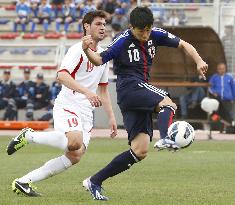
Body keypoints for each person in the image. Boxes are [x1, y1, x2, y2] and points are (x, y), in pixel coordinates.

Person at [81, 6, 208, 200]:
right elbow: (99, 59)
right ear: (132, 27)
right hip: (130, 87)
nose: (146, 34)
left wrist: (198, 61)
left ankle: (94, 181)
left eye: (148, 29)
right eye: (142, 30)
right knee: (168, 103)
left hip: (137, 92)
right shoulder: (122, 41)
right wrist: (86, 51)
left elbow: (184, 44)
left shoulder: (156, 34)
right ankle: (165, 137)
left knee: (139, 150)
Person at [6, 10, 117, 197]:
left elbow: (103, 90)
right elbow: (61, 76)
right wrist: (87, 92)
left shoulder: (103, 57)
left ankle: (23, 182)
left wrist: (112, 117)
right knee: (74, 141)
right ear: (86, 27)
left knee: (75, 155)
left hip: (86, 111)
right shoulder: (76, 50)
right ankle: (30, 136)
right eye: (98, 23)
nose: (103, 27)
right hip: (69, 104)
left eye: (104, 24)